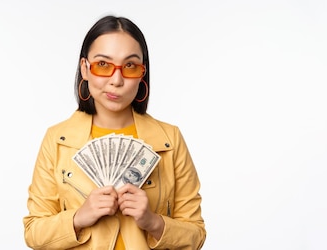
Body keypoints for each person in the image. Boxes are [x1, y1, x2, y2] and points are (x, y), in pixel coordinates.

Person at [23, 15, 206, 249]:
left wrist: (153, 222)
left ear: (142, 74)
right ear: (85, 69)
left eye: (129, 66)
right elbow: (33, 233)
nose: (116, 80)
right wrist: (79, 218)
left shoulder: (169, 140)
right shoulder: (58, 140)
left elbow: (196, 235)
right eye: (103, 65)